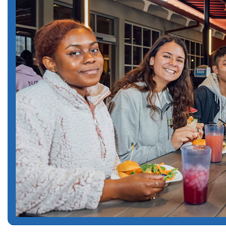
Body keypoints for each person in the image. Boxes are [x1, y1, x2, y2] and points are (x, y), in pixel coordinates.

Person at [16, 20, 165, 216]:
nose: (90, 58)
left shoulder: (96, 99)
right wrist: (115, 189)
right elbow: (21, 185)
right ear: (50, 63)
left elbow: (109, 160)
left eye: (94, 50)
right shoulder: (29, 103)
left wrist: (131, 178)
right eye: (74, 53)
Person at [109, 35, 203, 165]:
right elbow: (122, 158)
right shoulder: (128, 96)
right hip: (136, 179)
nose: (173, 63)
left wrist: (186, 140)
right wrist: (171, 144)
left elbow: (167, 149)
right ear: (151, 60)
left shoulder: (172, 97)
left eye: (179, 60)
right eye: (167, 56)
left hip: (165, 174)